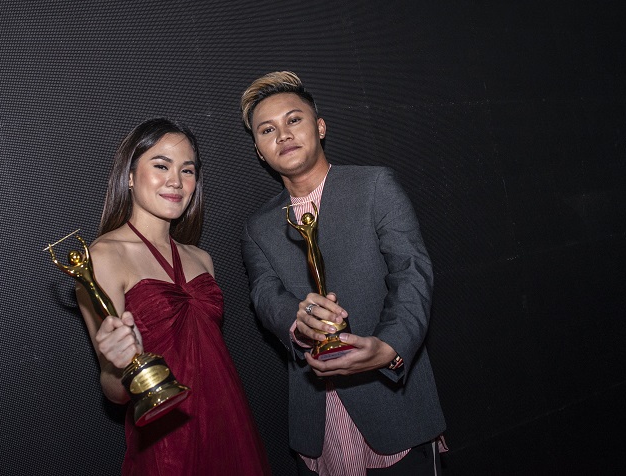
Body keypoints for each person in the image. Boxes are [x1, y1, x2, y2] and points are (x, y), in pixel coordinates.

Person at [240, 71, 446, 475]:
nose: (283, 135)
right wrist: (298, 322)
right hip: (318, 421)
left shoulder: (373, 186)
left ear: (320, 127)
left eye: (293, 119)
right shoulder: (257, 226)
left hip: (392, 401)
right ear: (260, 152)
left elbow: (412, 272)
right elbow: (264, 295)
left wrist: (390, 346)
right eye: (267, 130)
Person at [76, 117, 271, 476]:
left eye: (187, 170)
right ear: (130, 176)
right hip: (167, 437)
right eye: (161, 166)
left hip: (230, 421)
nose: (176, 181)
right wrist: (118, 365)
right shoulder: (103, 257)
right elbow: (114, 391)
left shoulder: (201, 259)